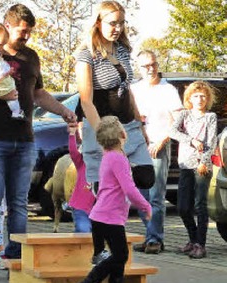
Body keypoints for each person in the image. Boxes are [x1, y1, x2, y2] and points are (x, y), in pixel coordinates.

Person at [0, 4, 76, 282]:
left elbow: (39, 93)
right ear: (7, 24)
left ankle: (15, 257)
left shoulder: (31, 57)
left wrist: (64, 110)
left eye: (30, 31)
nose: (26, 36)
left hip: (24, 140)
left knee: (18, 203)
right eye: (22, 30)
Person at [75, 115, 151, 283]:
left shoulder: (110, 156)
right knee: (119, 256)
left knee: (118, 257)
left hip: (103, 216)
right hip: (108, 217)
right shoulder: (117, 158)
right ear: (121, 134)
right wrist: (145, 206)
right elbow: (130, 189)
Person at [75, 1, 153, 189]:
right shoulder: (86, 55)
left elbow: (127, 90)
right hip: (102, 127)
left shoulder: (122, 50)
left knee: (146, 177)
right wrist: (104, 138)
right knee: (104, 191)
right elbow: (86, 101)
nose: (118, 28)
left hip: (128, 126)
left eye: (122, 23)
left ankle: (119, 177)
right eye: (113, 23)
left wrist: (140, 124)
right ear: (98, 23)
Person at [131, 50, 183, 254]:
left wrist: (162, 139)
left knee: (155, 194)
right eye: (145, 66)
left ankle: (155, 239)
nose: (151, 69)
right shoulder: (133, 89)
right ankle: (149, 235)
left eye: (153, 64)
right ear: (139, 68)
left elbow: (177, 119)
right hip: (137, 145)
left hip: (158, 145)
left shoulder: (167, 89)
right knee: (139, 195)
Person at [169, 81, 217, 259]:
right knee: (182, 206)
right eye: (196, 96)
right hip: (185, 165)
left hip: (201, 166)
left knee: (200, 205)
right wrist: (191, 140)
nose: (199, 99)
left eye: (203, 96)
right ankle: (193, 238)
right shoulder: (184, 115)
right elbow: (173, 131)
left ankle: (200, 244)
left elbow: (211, 142)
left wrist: (204, 161)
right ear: (189, 98)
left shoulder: (210, 117)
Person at [66, 123, 96, 233]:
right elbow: (73, 151)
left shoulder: (106, 163)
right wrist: (72, 134)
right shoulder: (82, 162)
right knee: (83, 230)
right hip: (81, 207)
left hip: (99, 210)